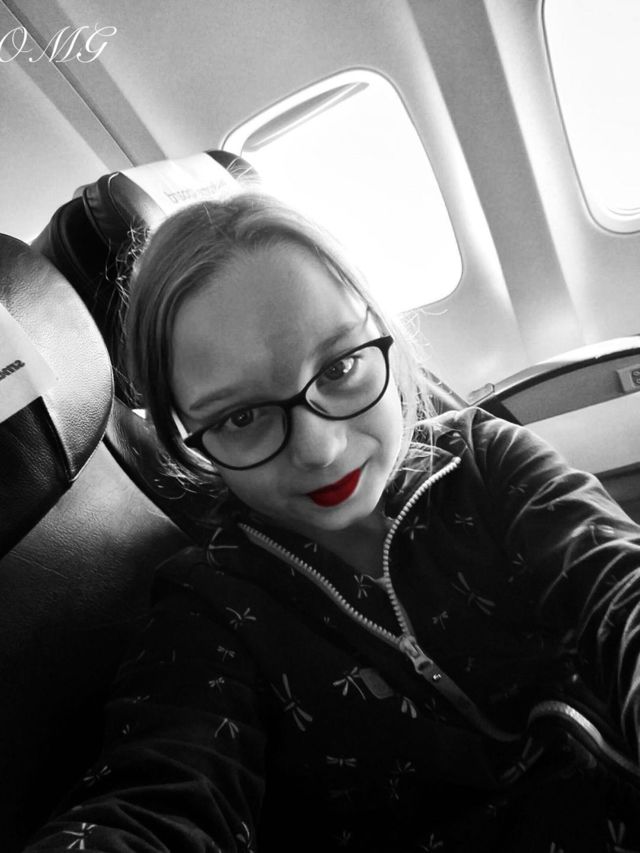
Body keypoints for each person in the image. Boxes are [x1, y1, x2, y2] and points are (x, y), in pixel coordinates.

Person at [24, 192, 640, 852]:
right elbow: (162, 796)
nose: (319, 450)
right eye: (241, 417)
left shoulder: (486, 459)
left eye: (340, 367)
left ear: (381, 331)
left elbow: (618, 590)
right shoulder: (209, 607)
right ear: (187, 435)